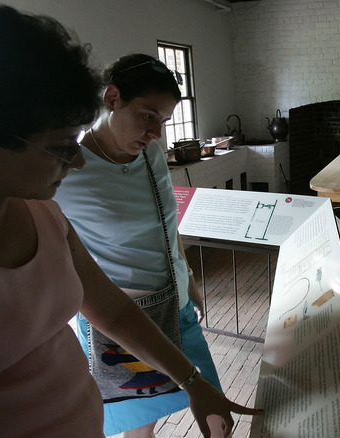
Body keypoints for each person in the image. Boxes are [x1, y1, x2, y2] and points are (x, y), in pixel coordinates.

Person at [0, 4, 259, 438]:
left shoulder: (39, 210)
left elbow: (111, 310)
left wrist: (193, 382)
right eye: (60, 146)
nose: (77, 162)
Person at [54, 53, 221, 438]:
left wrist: (189, 275)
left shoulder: (151, 154)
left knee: (210, 400)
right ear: (112, 98)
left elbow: (167, 222)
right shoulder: (67, 172)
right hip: (122, 318)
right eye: (148, 116)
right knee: (138, 419)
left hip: (173, 303)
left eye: (162, 121)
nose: (156, 132)